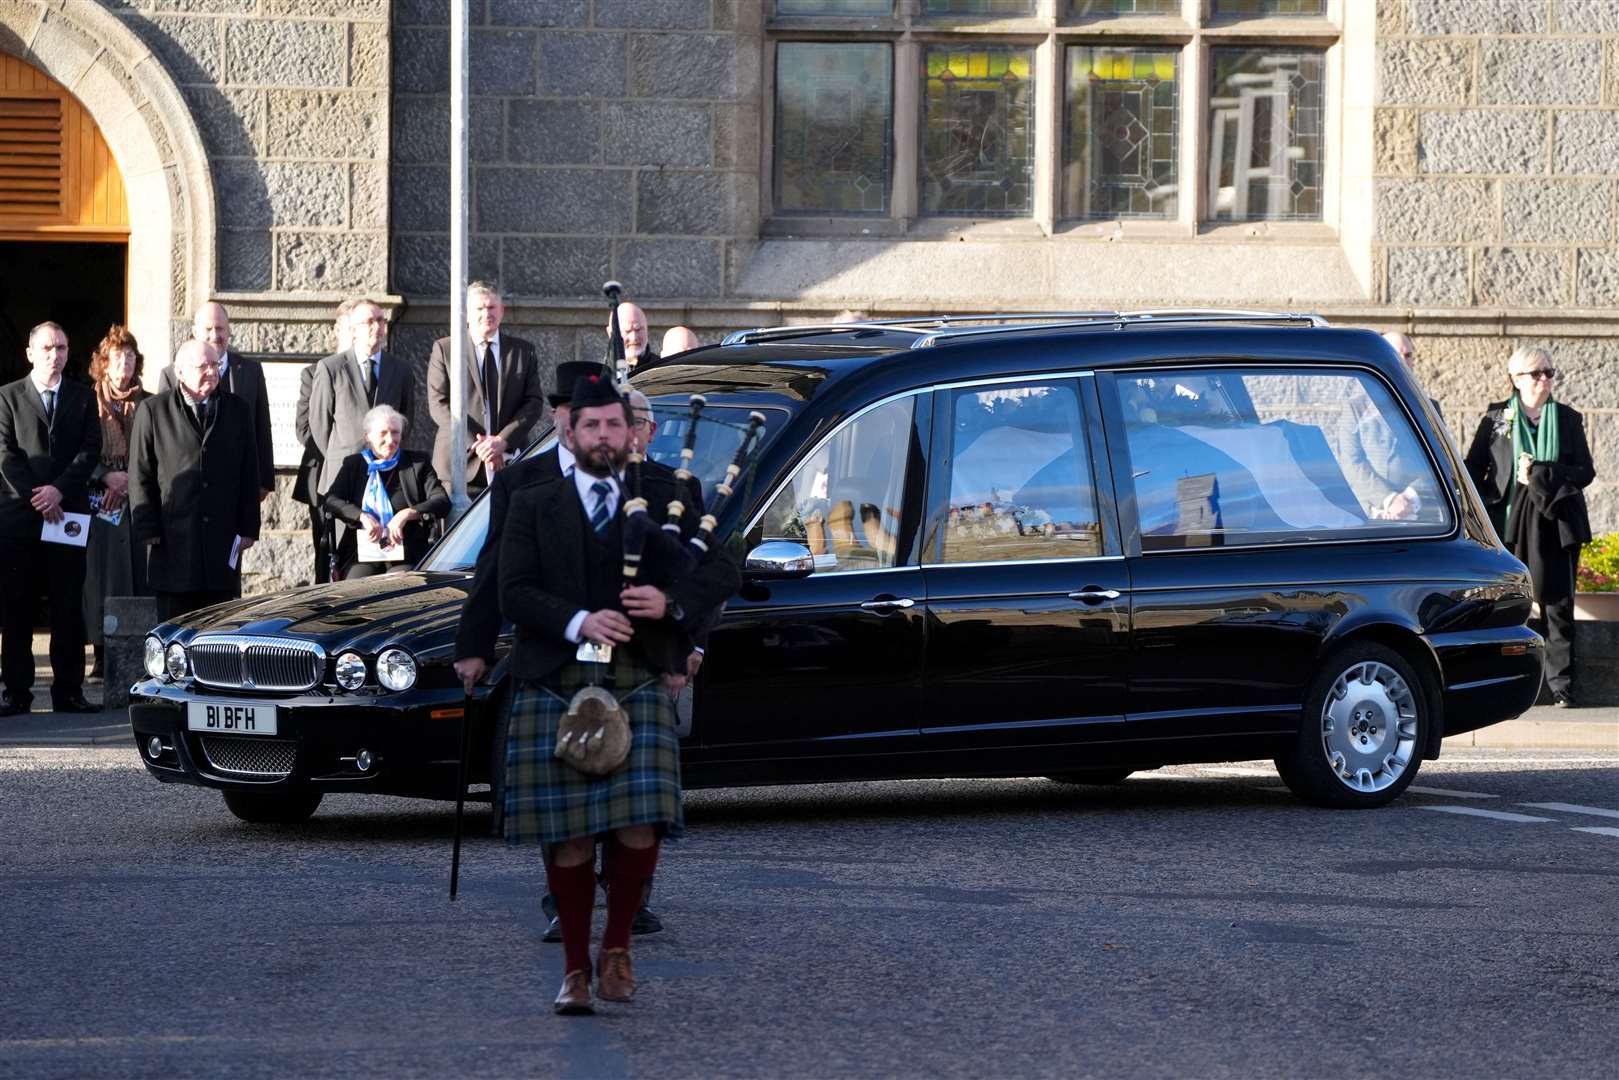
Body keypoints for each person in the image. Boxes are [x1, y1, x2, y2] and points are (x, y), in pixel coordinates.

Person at [497, 374, 738, 1015]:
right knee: (569, 835)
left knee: (639, 824)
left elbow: (723, 567)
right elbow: (511, 589)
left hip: (636, 675)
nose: (604, 436)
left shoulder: (669, 492)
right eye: (591, 425)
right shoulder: (533, 498)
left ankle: (618, 949)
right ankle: (575, 968)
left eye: (615, 425)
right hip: (556, 677)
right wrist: (577, 620)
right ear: (569, 432)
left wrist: (671, 603)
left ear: (631, 432)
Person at [1465, 346, 1594, 707]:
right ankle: (1507, 684)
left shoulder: (1568, 419)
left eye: (1549, 373)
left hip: (1555, 521)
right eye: (1536, 373)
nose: (1544, 380)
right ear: (1516, 380)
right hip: (1507, 521)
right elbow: (1474, 468)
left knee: (1557, 604)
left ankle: (1562, 687)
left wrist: (1543, 474)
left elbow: (1585, 471)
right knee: (1508, 603)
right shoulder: (1496, 418)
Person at [0, 321, 100, 715]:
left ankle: (69, 692)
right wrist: (39, 496)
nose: (54, 355)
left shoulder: (82, 396)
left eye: (60, 347)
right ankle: (17, 692)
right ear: (30, 353)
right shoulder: (7, 397)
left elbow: (90, 449)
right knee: (16, 607)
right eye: (46, 348)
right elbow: (6, 455)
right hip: (18, 519)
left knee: (67, 605)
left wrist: (59, 489)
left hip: (68, 515)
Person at [129, 341, 260, 622]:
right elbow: (140, 473)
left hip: (221, 541)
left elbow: (250, 471)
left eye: (216, 365)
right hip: (172, 538)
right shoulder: (153, 411)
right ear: (181, 372)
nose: (212, 372)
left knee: (218, 626)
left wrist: (249, 526)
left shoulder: (237, 409)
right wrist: (147, 527)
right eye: (203, 366)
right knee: (176, 626)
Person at [428, 281, 546, 496]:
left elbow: (534, 403)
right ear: (466, 313)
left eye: (492, 308)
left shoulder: (523, 351)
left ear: (502, 311)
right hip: (460, 466)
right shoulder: (446, 349)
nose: (486, 314)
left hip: (510, 462)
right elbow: (439, 404)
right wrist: (480, 445)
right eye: (479, 308)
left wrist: (502, 441)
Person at [82, 326, 151, 676]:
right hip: (100, 500)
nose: (125, 361)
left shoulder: (149, 402)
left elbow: (154, 453)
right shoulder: (86, 401)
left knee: (139, 576)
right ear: (104, 363)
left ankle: (137, 653)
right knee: (102, 577)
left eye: (130, 355)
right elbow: (77, 451)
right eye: (117, 355)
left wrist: (129, 482)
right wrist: (106, 476)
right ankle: (101, 653)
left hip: (138, 498)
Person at [160, 303, 274, 502]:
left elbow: (262, 425)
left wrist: (264, 479)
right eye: (208, 329)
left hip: (238, 483)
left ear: (229, 331)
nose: (215, 335)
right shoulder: (173, 374)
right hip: (188, 487)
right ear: (195, 332)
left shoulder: (251, 371)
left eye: (220, 328)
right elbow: (163, 433)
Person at [307, 299, 415, 506]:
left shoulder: (401, 369)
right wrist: (340, 453)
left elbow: (406, 419)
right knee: (342, 538)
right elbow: (319, 423)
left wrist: (386, 449)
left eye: (381, 321)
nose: (377, 327)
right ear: (353, 330)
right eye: (369, 322)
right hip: (341, 475)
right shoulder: (331, 368)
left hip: (387, 474)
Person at [322, 405, 447, 580]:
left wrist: (408, 513)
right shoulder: (355, 465)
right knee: (356, 590)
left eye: (395, 432)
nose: (390, 440)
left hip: (406, 550)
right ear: (368, 437)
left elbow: (441, 500)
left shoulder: (417, 463)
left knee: (399, 586)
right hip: (363, 551)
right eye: (383, 433)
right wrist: (362, 516)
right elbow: (331, 500)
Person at [294, 299, 356, 585]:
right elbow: (306, 429)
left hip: (370, 479)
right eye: (349, 327)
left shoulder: (382, 371)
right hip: (325, 477)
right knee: (326, 550)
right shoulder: (315, 372)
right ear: (338, 329)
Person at [1382, 331, 1444, 422]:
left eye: (1408, 355)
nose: (1404, 361)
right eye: (1397, 355)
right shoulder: (1361, 406)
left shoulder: (1429, 408)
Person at [610, 301, 657, 372]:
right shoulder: (600, 372)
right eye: (627, 331)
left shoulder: (661, 368)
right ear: (611, 333)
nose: (634, 337)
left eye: (638, 330)